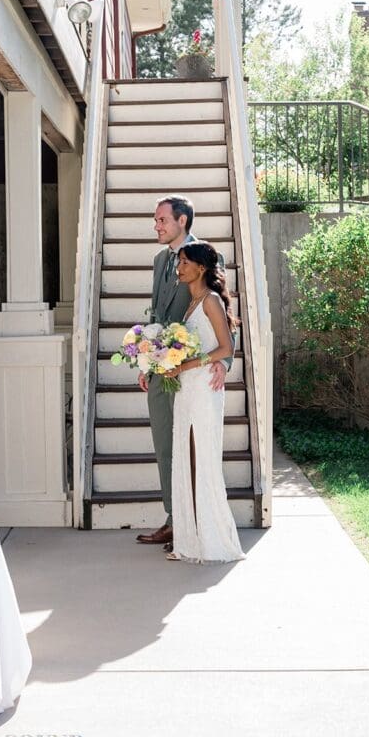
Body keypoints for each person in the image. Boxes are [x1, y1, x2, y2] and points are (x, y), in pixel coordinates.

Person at [136, 196, 227, 548]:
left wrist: (223, 361)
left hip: (192, 374)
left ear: (183, 220)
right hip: (163, 370)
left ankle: (193, 523)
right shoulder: (160, 261)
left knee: (191, 449)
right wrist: (147, 361)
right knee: (164, 445)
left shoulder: (204, 255)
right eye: (156, 220)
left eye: (162, 220)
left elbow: (220, 307)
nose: (156, 226)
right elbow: (156, 317)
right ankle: (175, 520)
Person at [163, 242, 244, 563]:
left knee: (203, 459)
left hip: (203, 388)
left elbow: (225, 348)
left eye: (184, 263)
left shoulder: (209, 301)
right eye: (178, 262)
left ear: (201, 268)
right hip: (187, 388)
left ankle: (213, 541)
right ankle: (191, 539)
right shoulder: (192, 302)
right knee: (187, 457)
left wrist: (183, 365)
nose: (179, 268)